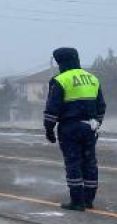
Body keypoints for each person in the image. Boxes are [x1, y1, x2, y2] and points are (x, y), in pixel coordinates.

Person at [44, 48, 106, 211]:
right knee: (90, 163)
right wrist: (96, 124)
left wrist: (49, 129)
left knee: (73, 163)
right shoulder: (92, 79)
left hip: (69, 127)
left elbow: (52, 108)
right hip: (89, 126)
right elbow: (101, 106)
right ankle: (88, 200)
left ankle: (77, 201)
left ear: (61, 62)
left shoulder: (59, 80)